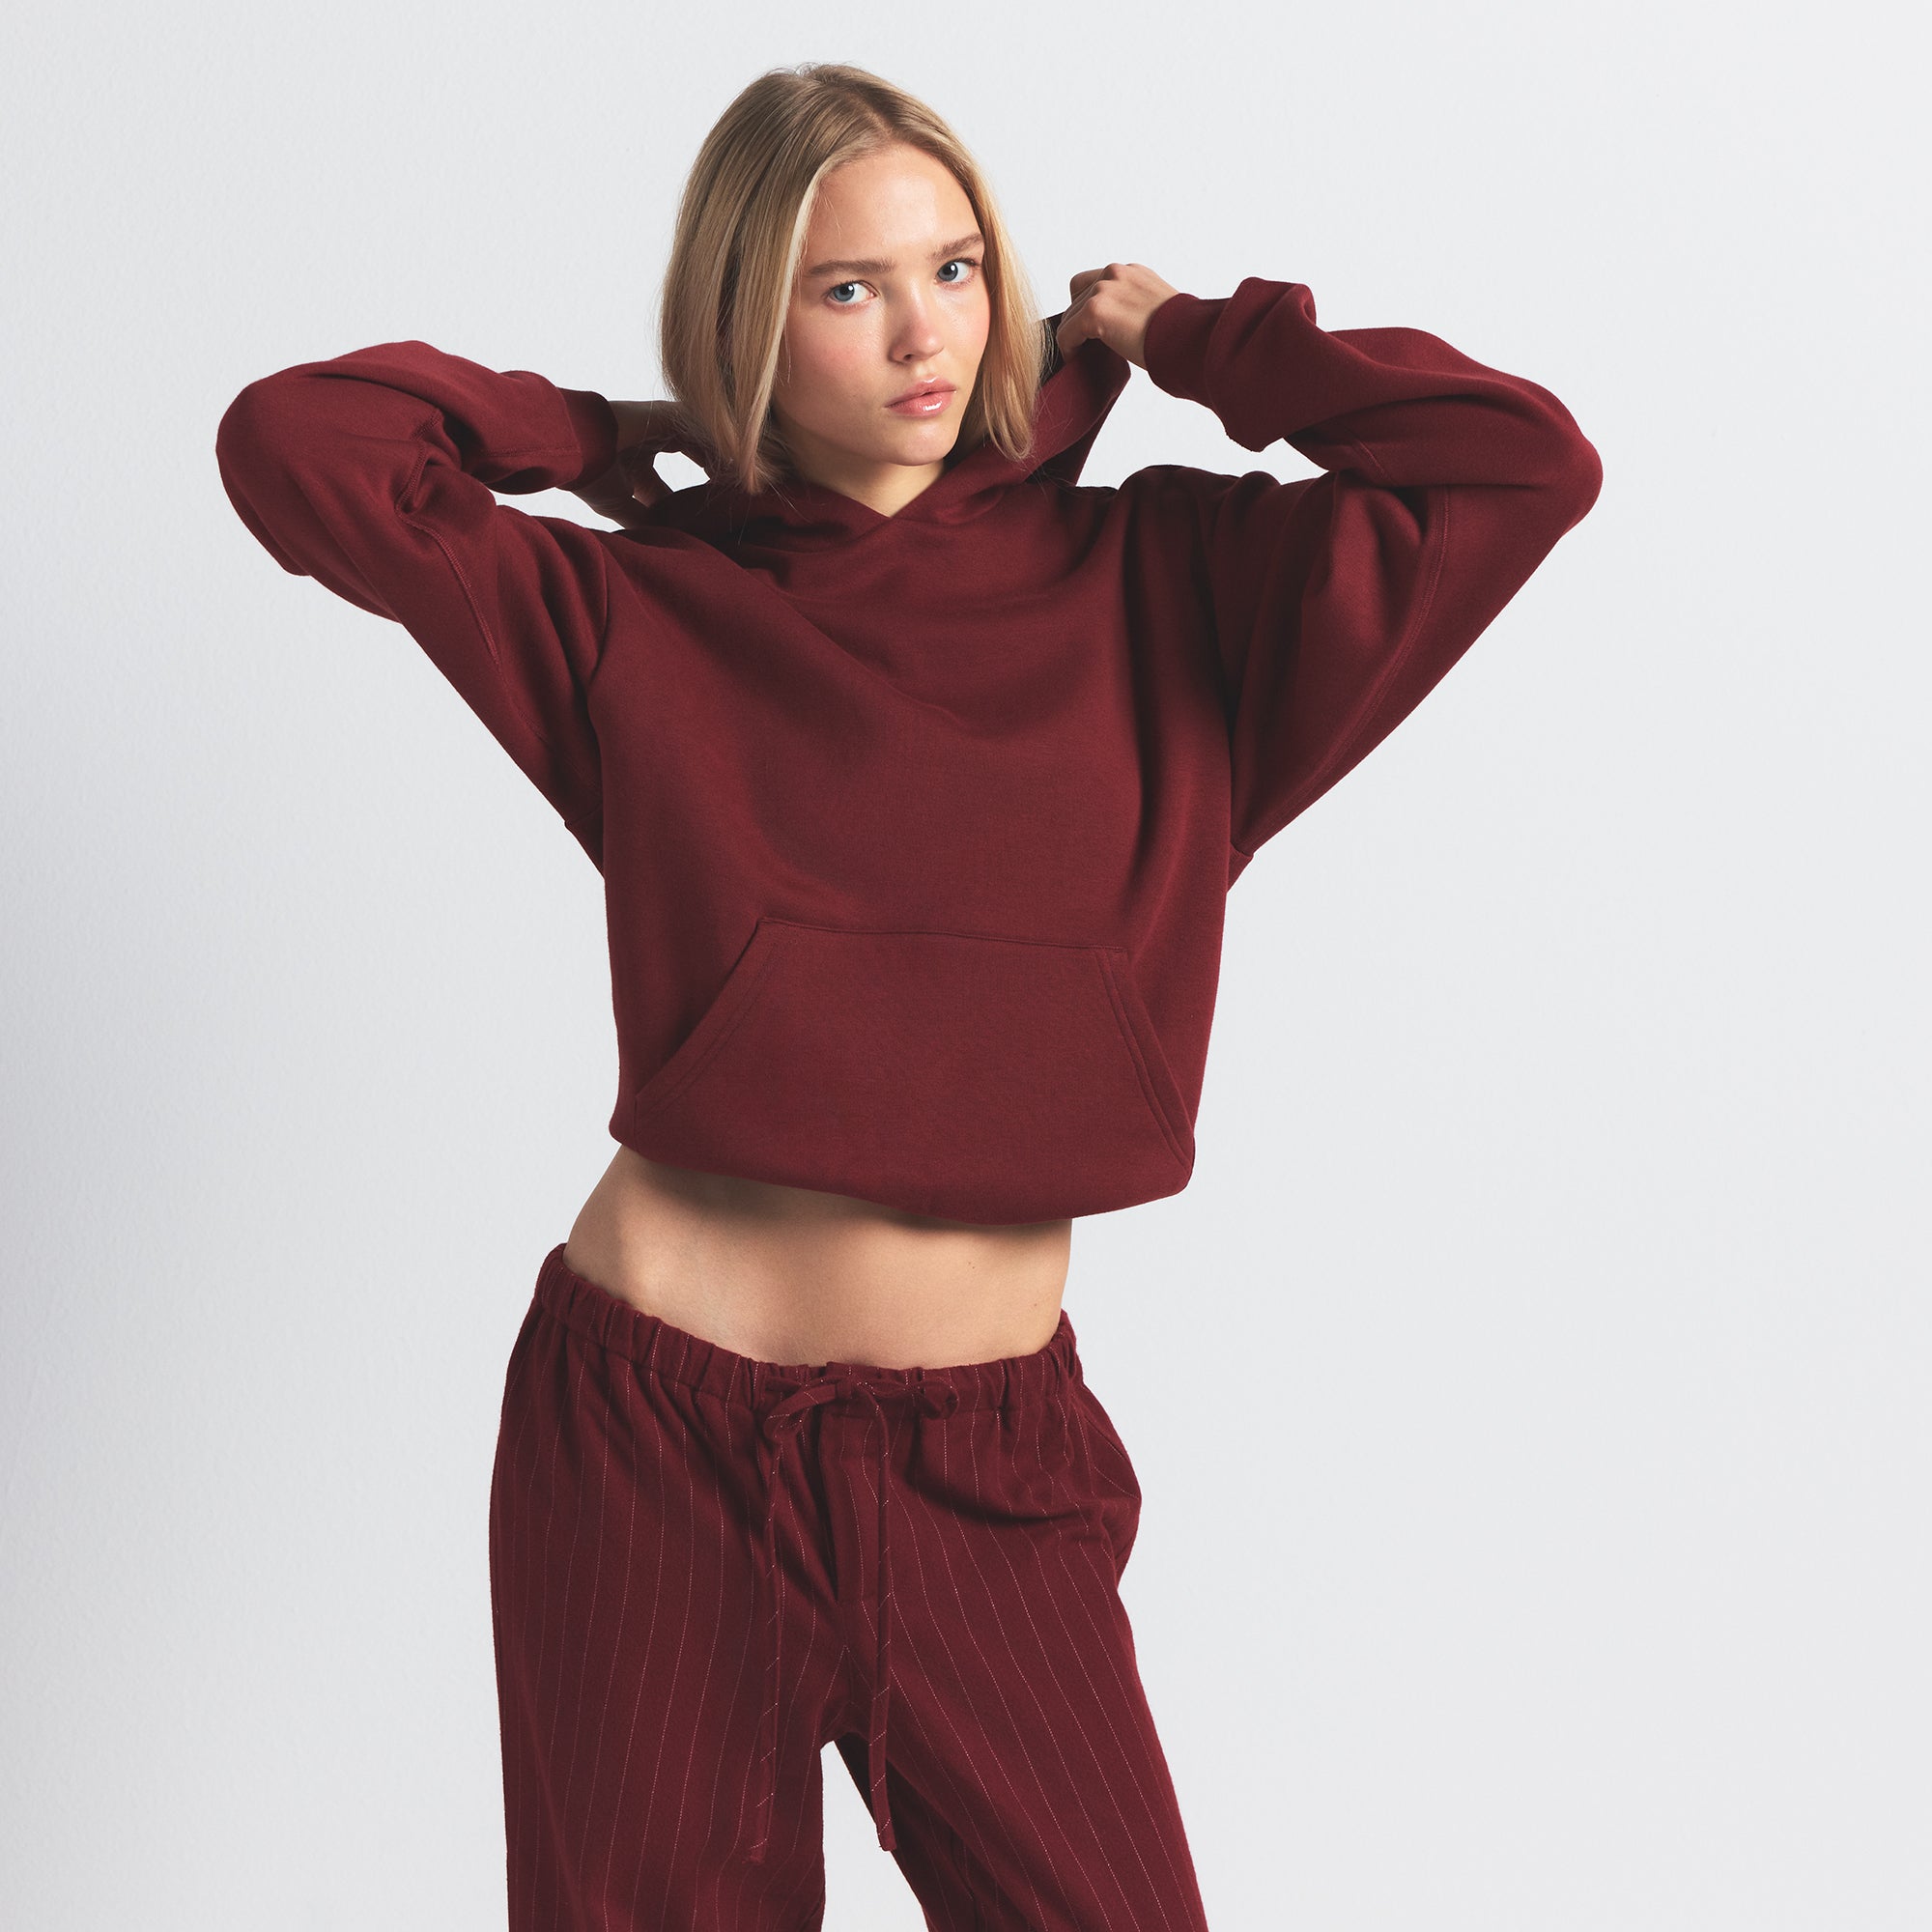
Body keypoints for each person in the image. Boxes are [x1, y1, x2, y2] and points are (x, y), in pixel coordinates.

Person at [214, 58, 1601, 1932]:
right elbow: (295, 444)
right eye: (844, 287)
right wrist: (602, 429)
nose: (924, 333)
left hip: (986, 1464)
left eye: (955, 268)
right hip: (646, 1442)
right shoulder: (636, 610)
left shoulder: (1176, 586)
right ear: (746, 323)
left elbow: (1520, 465)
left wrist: (1203, 340)